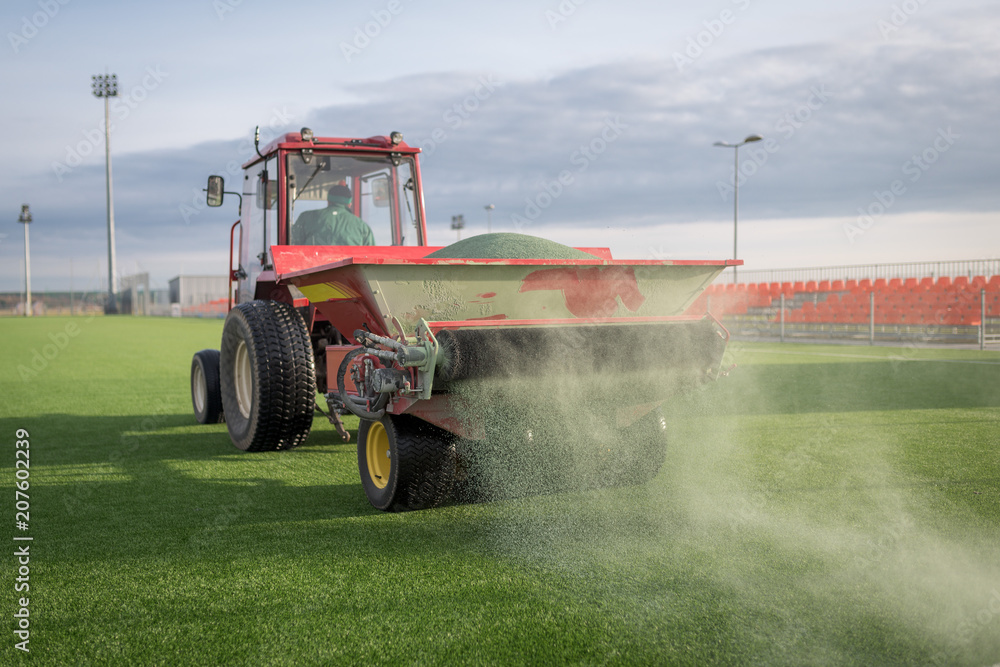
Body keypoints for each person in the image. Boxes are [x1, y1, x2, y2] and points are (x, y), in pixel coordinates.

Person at [292, 184, 375, 245]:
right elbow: (372, 259)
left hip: (313, 268)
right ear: (349, 204)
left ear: (328, 201)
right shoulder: (363, 227)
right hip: (351, 269)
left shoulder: (306, 217)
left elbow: (292, 245)